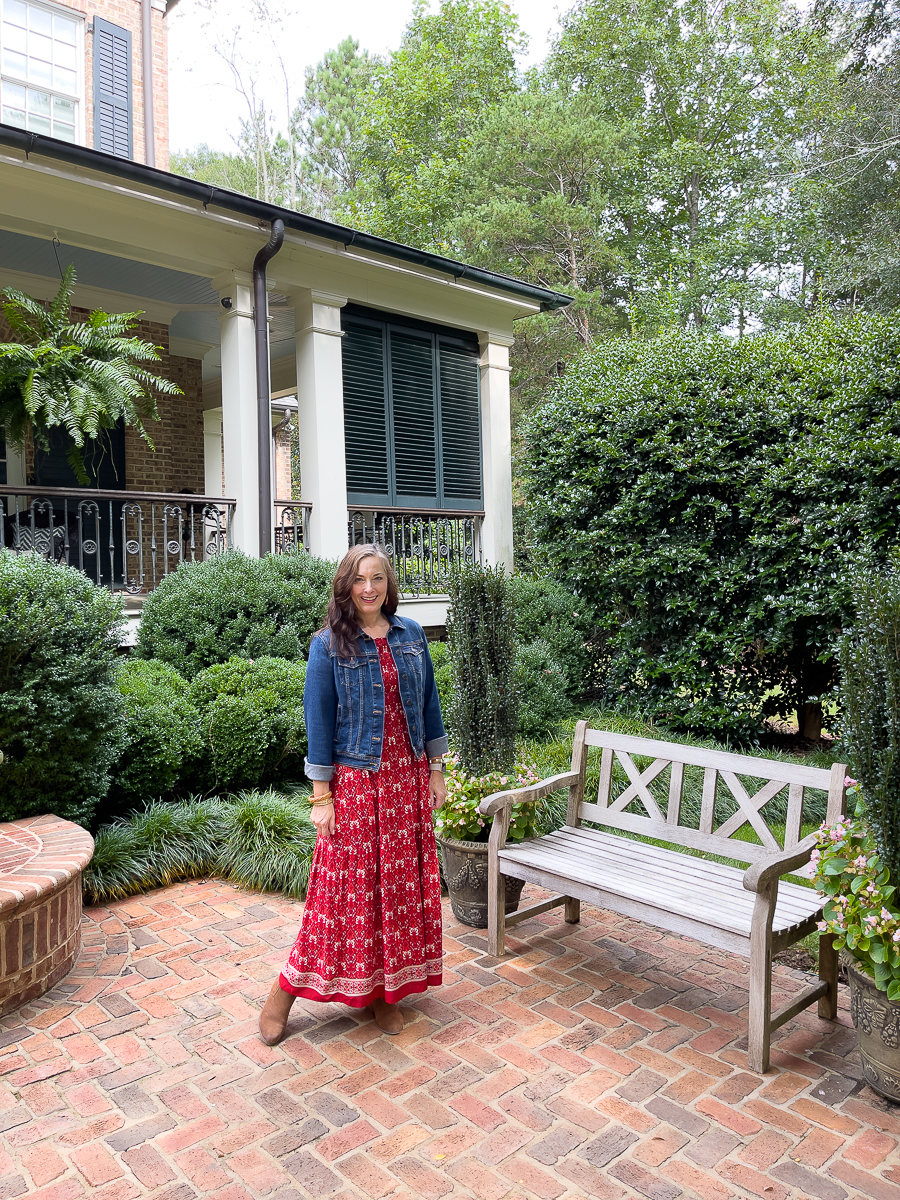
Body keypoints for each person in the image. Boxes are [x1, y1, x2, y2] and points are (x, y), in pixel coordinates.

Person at [259, 543, 448, 1041]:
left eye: (379, 579)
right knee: (341, 895)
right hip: (358, 785)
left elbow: (429, 705)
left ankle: (382, 994)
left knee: (396, 894)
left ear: (389, 585)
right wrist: (322, 797)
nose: (370, 588)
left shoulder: (411, 636)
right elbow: (317, 722)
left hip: (405, 781)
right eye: (360, 579)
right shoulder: (328, 645)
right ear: (346, 585)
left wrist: (436, 769)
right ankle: (285, 989)